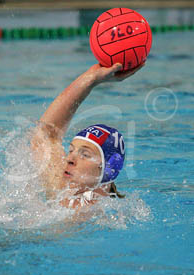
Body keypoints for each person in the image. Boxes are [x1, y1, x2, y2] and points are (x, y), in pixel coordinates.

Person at [30, 63, 143, 208]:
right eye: (71, 150)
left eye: (85, 154)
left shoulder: (109, 217)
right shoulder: (60, 190)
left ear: (109, 168)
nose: (69, 159)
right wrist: (90, 79)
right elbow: (45, 135)